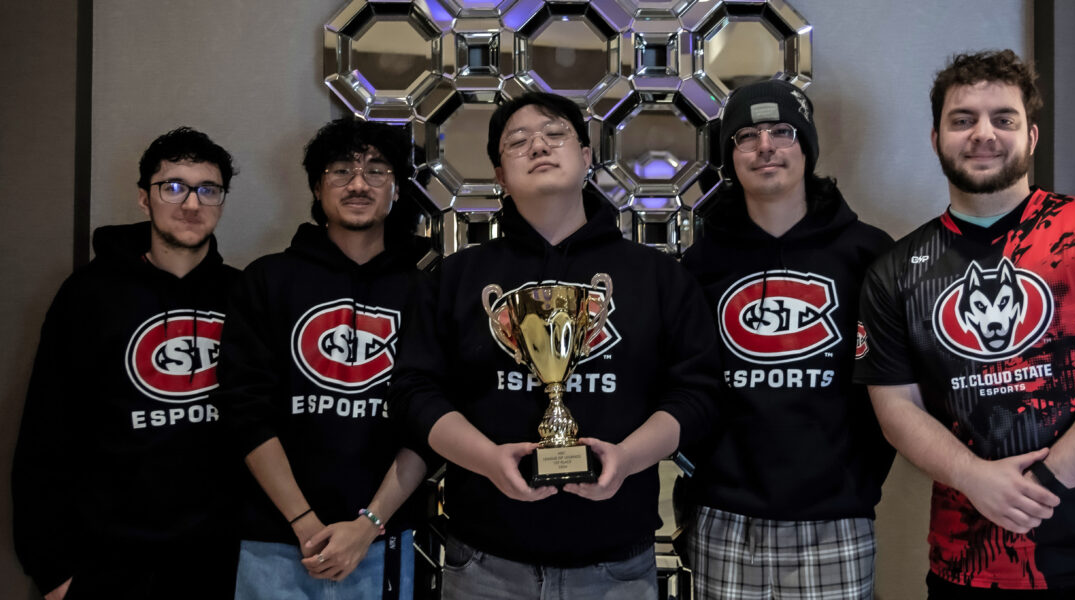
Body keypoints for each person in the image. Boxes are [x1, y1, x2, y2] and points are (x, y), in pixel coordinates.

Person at [854, 49, 1075, 597]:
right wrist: (974, 480)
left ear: (1031, 136)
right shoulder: (894, 272)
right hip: (972, 565)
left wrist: (1041, 483)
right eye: (962, 120)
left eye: (1003, 119)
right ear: (936, 137)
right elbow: (895, 409)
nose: (982, 133)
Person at [391, 91, 720, 599]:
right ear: (500, 175)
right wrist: (484, 459)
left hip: (617, 565)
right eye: (517, 141)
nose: (538, 146)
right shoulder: (458, 278)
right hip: (484, 562)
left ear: (587, 157)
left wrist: (628, 458)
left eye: (555, 134)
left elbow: (697, 393)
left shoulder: (655, 276)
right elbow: (415, 392)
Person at [680, 79, 895, 599]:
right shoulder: (700, 265)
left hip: (836, 519)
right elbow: (685, 384)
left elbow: (894, 386)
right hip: (724, 516)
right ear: (730, 157)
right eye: (746, 136)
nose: (766, 146)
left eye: (782, 131)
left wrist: (855, 483)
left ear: (807, 146)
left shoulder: (869, 253)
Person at [12, 127, 241, 599]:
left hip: (220, 561)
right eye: (173, 186)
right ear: (144, 198)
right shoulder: (89, 295)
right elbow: (45, 432)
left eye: (208, 189)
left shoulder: (244, 295)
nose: (192, 204)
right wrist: (53, 571)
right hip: (107, 563)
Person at [213, 117, 430, 599]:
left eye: (376, 170)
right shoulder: (266, 280)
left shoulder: (425, 291)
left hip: (387, 535)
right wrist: (305, 523)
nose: (358, 183)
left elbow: (430, 420)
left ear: (396, 189)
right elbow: (245, 411)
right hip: (274, 539)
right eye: (341, 170)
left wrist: (368, 524)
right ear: (316, 186)